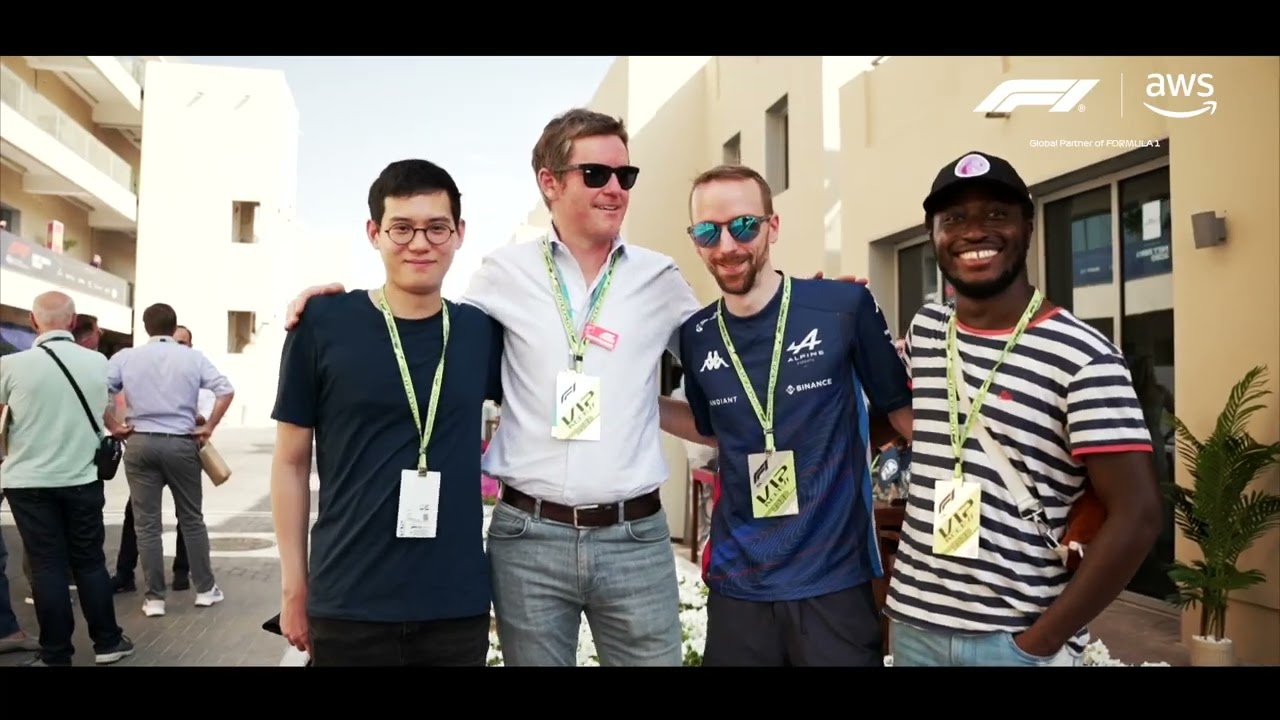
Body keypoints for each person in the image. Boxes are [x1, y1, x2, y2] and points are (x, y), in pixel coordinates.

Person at [885, 150, 1162, 666]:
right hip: (914, 627)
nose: (974, 231)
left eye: (996, 214)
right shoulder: (927, 331)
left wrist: (1040, 642)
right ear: (933, 234)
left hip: (1015, 641)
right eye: (955, 218)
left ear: (1028, 227)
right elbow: (882, 408)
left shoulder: (1083, 356)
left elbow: (1138, 514)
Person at [670, 165, 912, 666]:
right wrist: (635, 402)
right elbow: (714, 431)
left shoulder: (843, 306)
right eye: (708, 232)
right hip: (738, 587)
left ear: (772, 226)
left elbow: (904, 417)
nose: (727, 245)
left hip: (833, 581)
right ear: (694, 241)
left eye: (743, 226)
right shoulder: (696, 335)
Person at [271, 159, 504, 666]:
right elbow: (290, 461)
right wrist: (294, 586)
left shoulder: (480, 332)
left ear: (459, 233)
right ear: (374, 232)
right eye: (401, 228)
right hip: (349, 600)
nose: (420, 243)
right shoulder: (322, 324)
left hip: (454, 605)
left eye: (437, 227)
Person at [0, 291, 134, 666]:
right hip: (82, 479)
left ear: (33, 321)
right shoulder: (97, 362)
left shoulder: (10, 365)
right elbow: (100, 406)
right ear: (73, 322)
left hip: (27, 483)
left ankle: (56, 653)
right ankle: (108, 642)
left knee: (47, 567)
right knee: (89, 562)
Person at [107, 303, 234, 618]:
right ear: (172, 325)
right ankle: (205, 589)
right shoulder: (193, 357)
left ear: (146, 326)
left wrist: (113, 426)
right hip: (180, 442)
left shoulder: (125, 357)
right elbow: (225, 390)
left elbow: (98, 390)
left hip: (140, 441)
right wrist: (209, 425)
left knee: (146, 524)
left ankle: (154, 598)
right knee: (191, 518)